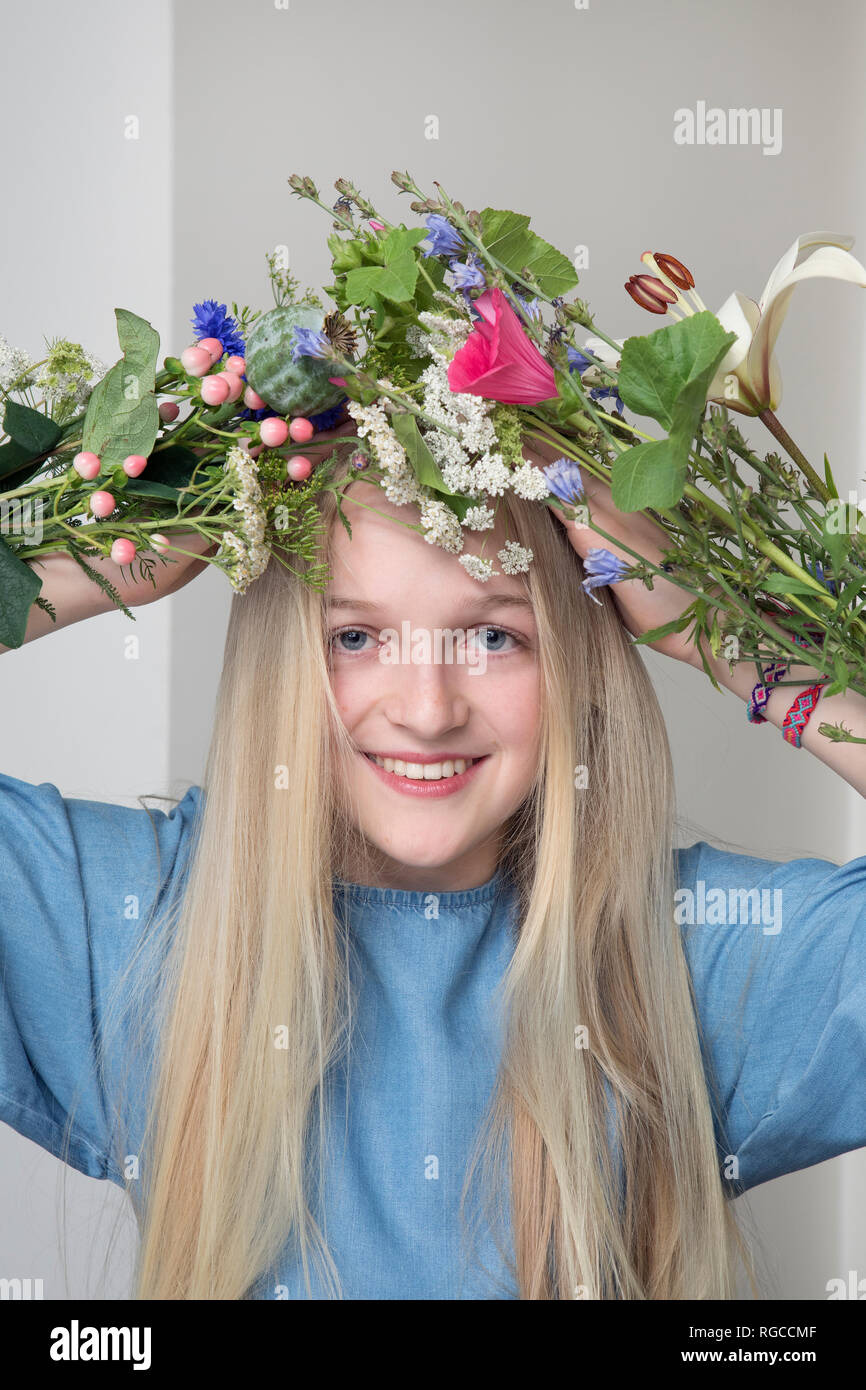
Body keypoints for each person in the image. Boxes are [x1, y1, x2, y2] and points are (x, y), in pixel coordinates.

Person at [1, 418, 864, 1301]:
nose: (426, 709)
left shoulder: (683, 954)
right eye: (355, 637)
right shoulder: (135, 917)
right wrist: (69, 562)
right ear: (284, 660)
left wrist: (744, 647)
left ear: (574, 660)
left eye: (493, 637)